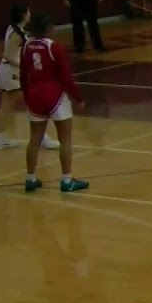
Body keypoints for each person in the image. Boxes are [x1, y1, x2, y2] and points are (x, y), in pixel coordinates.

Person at [20, 12, 88, 193]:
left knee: (34, 139)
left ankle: (30, 178)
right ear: (48, 28)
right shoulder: (55, 47)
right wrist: (78, 98)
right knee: (65, 138)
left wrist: (27, 96)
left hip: (34, 95)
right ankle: (66, 180)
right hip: (54, 95)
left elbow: (22, 75)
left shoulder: (26, 46)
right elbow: (66, 77)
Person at [0, 4, 60, 151]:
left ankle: (0, 138)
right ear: (23, 15)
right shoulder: (16, 33)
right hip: (12, 72)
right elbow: (8, 55)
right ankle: (41, 137)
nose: (30, 14)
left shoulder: (16, 29)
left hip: (8, 72)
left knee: (8, 107)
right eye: (28, 12)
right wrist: (26, 69)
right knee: (34, 104)